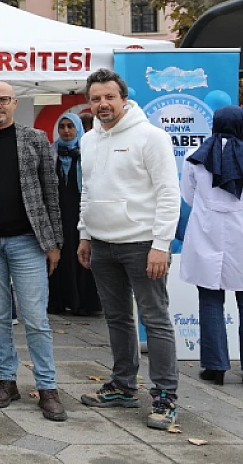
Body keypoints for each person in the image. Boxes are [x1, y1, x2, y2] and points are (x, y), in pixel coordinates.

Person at [77, 69, 180, 430]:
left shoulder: (151, 137)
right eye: (95, 98)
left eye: (109, 97)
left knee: (155, 321)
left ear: (123, 98)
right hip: (102, 245)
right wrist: (85, 234)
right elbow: (87, 190)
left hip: (141, 245)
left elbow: (169, 192)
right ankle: (122, 385)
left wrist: (161, 245)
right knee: (117, 318)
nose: (102, 104)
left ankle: (165, 396)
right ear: (89, 103)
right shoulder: (88, 140)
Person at [0, 82, 66, 422]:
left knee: (35, 318)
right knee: (0, 317)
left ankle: (48, 387)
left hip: (29, 242)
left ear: (14, 103)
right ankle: (7, 381)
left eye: (3, 99)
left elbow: (52, 193)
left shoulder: (35, 140)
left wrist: (55, 243)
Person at [180, 105, 243, 386]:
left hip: (206, 233)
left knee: (209, 299)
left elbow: (189, 197)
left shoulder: (194, 158)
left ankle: (215, 367)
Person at [48, 113, 100, 316]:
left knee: (81, 255)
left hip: (82, 214)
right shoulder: (51, 154)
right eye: (63, 126)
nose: (67, 130)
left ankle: (84, 302)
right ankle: (60, 301)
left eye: (71, 126)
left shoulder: (88, 153)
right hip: (58, 215)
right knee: (60, 257)